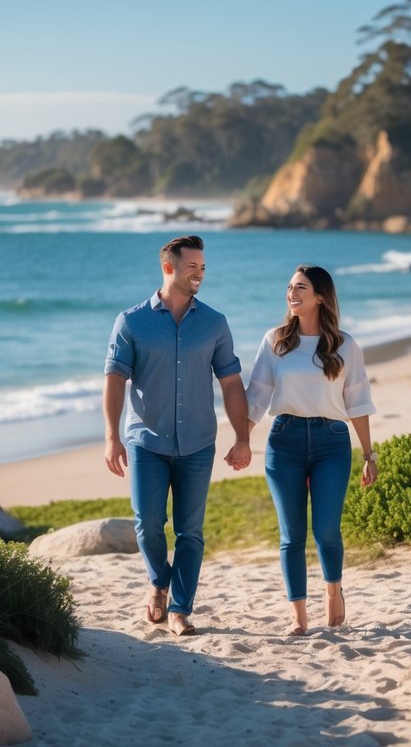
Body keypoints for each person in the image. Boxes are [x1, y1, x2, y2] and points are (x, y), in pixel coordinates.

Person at [103, 235, 251, 637]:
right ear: (169, 268)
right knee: (147, 523)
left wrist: (242, 436)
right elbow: (115, 379)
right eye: (192, 268)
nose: (200, 274)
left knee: (190, 531)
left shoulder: (215, 322)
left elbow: (232, 382)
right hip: (146, 441)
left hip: (198, 443)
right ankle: (158, 583)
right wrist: (112, 437)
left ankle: (181, 609)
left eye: (203, 267)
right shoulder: (131, 321)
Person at [245, 264, 377, 635]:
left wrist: (369, 455)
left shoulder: (344, 345)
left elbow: (359, 402)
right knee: (291, 534)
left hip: (332, 442)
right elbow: (256, 395)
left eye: (300, 287)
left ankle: (333, 591)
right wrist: (243, 438)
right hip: (284, 440)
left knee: (326, 531)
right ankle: (298, 616)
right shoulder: (275, 340)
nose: (291, 293)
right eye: (289, 286)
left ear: (320, 296)